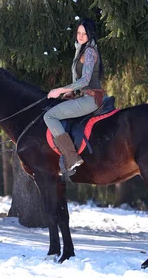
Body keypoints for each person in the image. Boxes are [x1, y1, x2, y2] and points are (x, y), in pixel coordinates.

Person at [44, 18, 105, 177]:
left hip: (91, 99)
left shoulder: (90, 51)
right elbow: (81, 82)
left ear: (90, 34)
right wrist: (72, 92)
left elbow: (85, 80)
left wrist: (59, 90)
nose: (81, 36)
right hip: (83, 96)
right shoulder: (82, 50)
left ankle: (71, 156)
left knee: (49, 116)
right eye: (79, 32)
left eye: (84, 33)